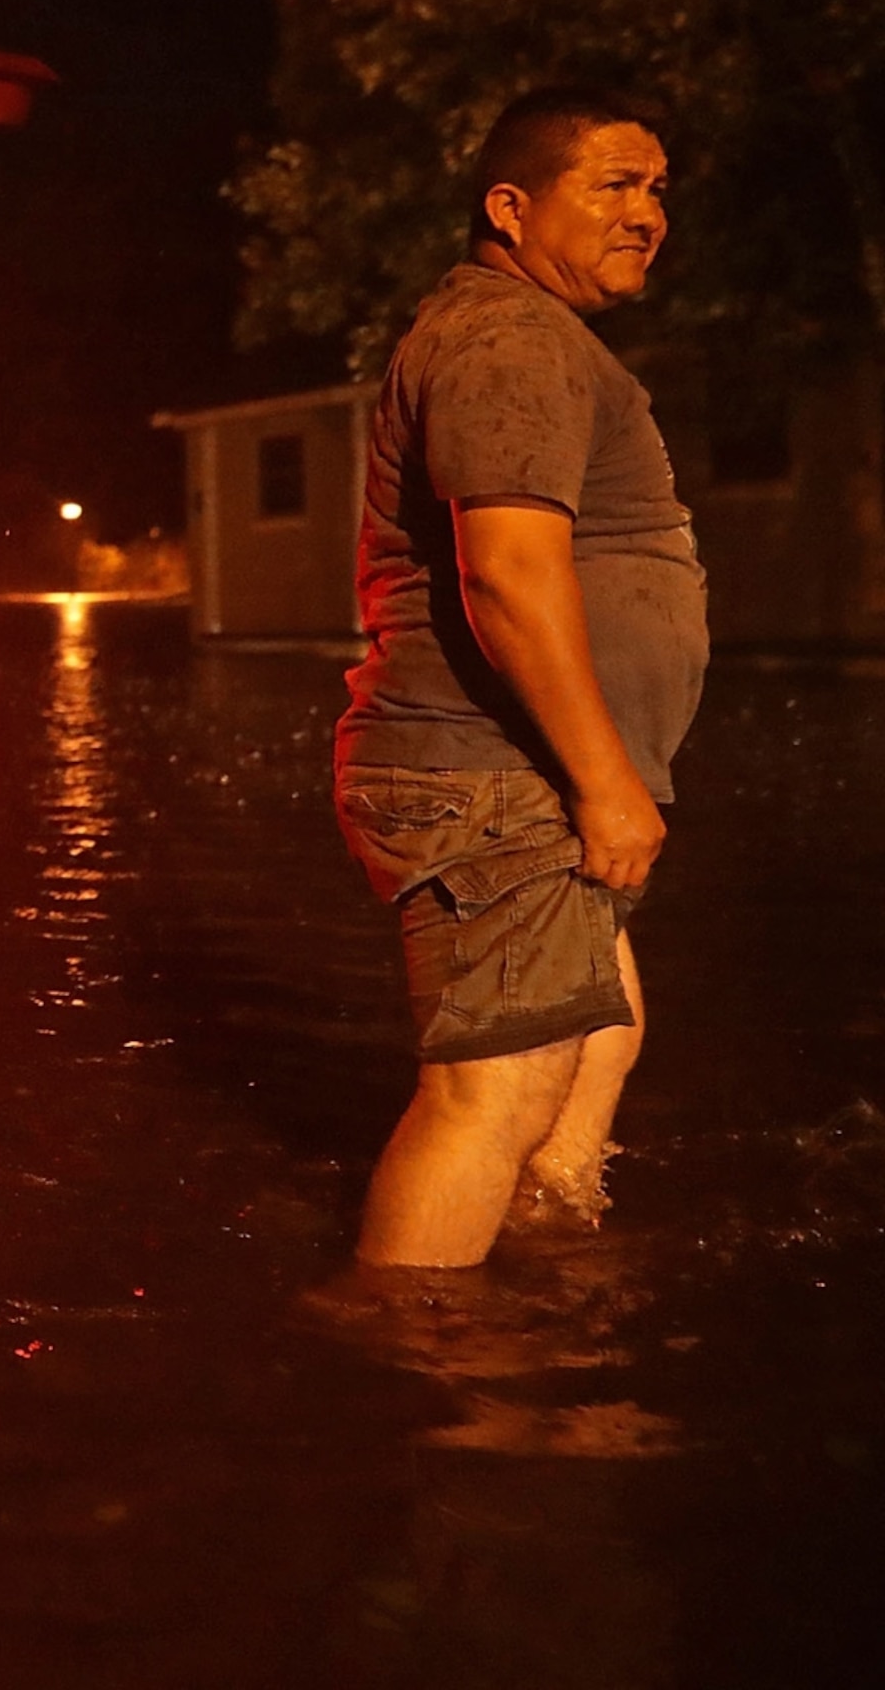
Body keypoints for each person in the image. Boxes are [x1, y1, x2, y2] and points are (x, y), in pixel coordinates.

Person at [334, 86, 708, 1270]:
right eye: (614, 184)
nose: (647, 212)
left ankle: (548, 1273)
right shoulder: (510, 338)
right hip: (494, 774)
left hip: (529, 778)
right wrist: (605, 783)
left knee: (600, 1034)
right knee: (489, 1094)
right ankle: (423, 1369)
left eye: (657, 190)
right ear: (510, 205)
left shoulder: (541, 340)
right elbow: (503, 570)